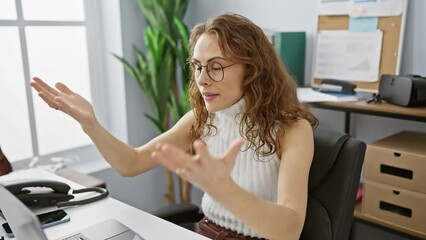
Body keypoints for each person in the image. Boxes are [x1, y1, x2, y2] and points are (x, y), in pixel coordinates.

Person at [31, 13, 317, 240]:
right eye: (198, 66)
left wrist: (225, 189)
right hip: (203, 232)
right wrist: (90, 123)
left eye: (215, 66)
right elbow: (131, 163)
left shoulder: (292, 130)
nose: (202, 79)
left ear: (252, 70)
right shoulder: (202, 117)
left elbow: (288, 231)